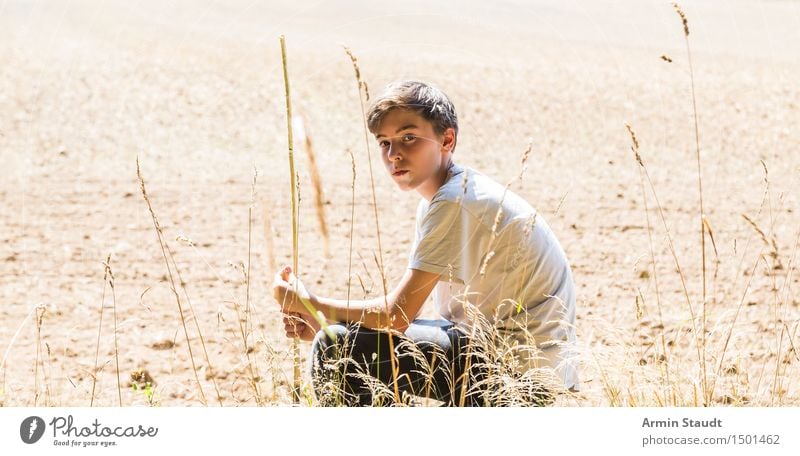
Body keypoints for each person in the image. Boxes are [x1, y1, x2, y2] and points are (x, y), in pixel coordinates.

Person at [272, 80, 578, 406]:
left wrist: (310, 304)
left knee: (337, 347)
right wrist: (323, 321)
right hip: (494, 354)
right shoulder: (444, 196)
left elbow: (396, 315)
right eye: (384, 143)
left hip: (517, 374)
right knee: (343, 338)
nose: (394, 155)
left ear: (447, 140)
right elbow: (410, 320)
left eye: (409, 138)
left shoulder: (455, 201)